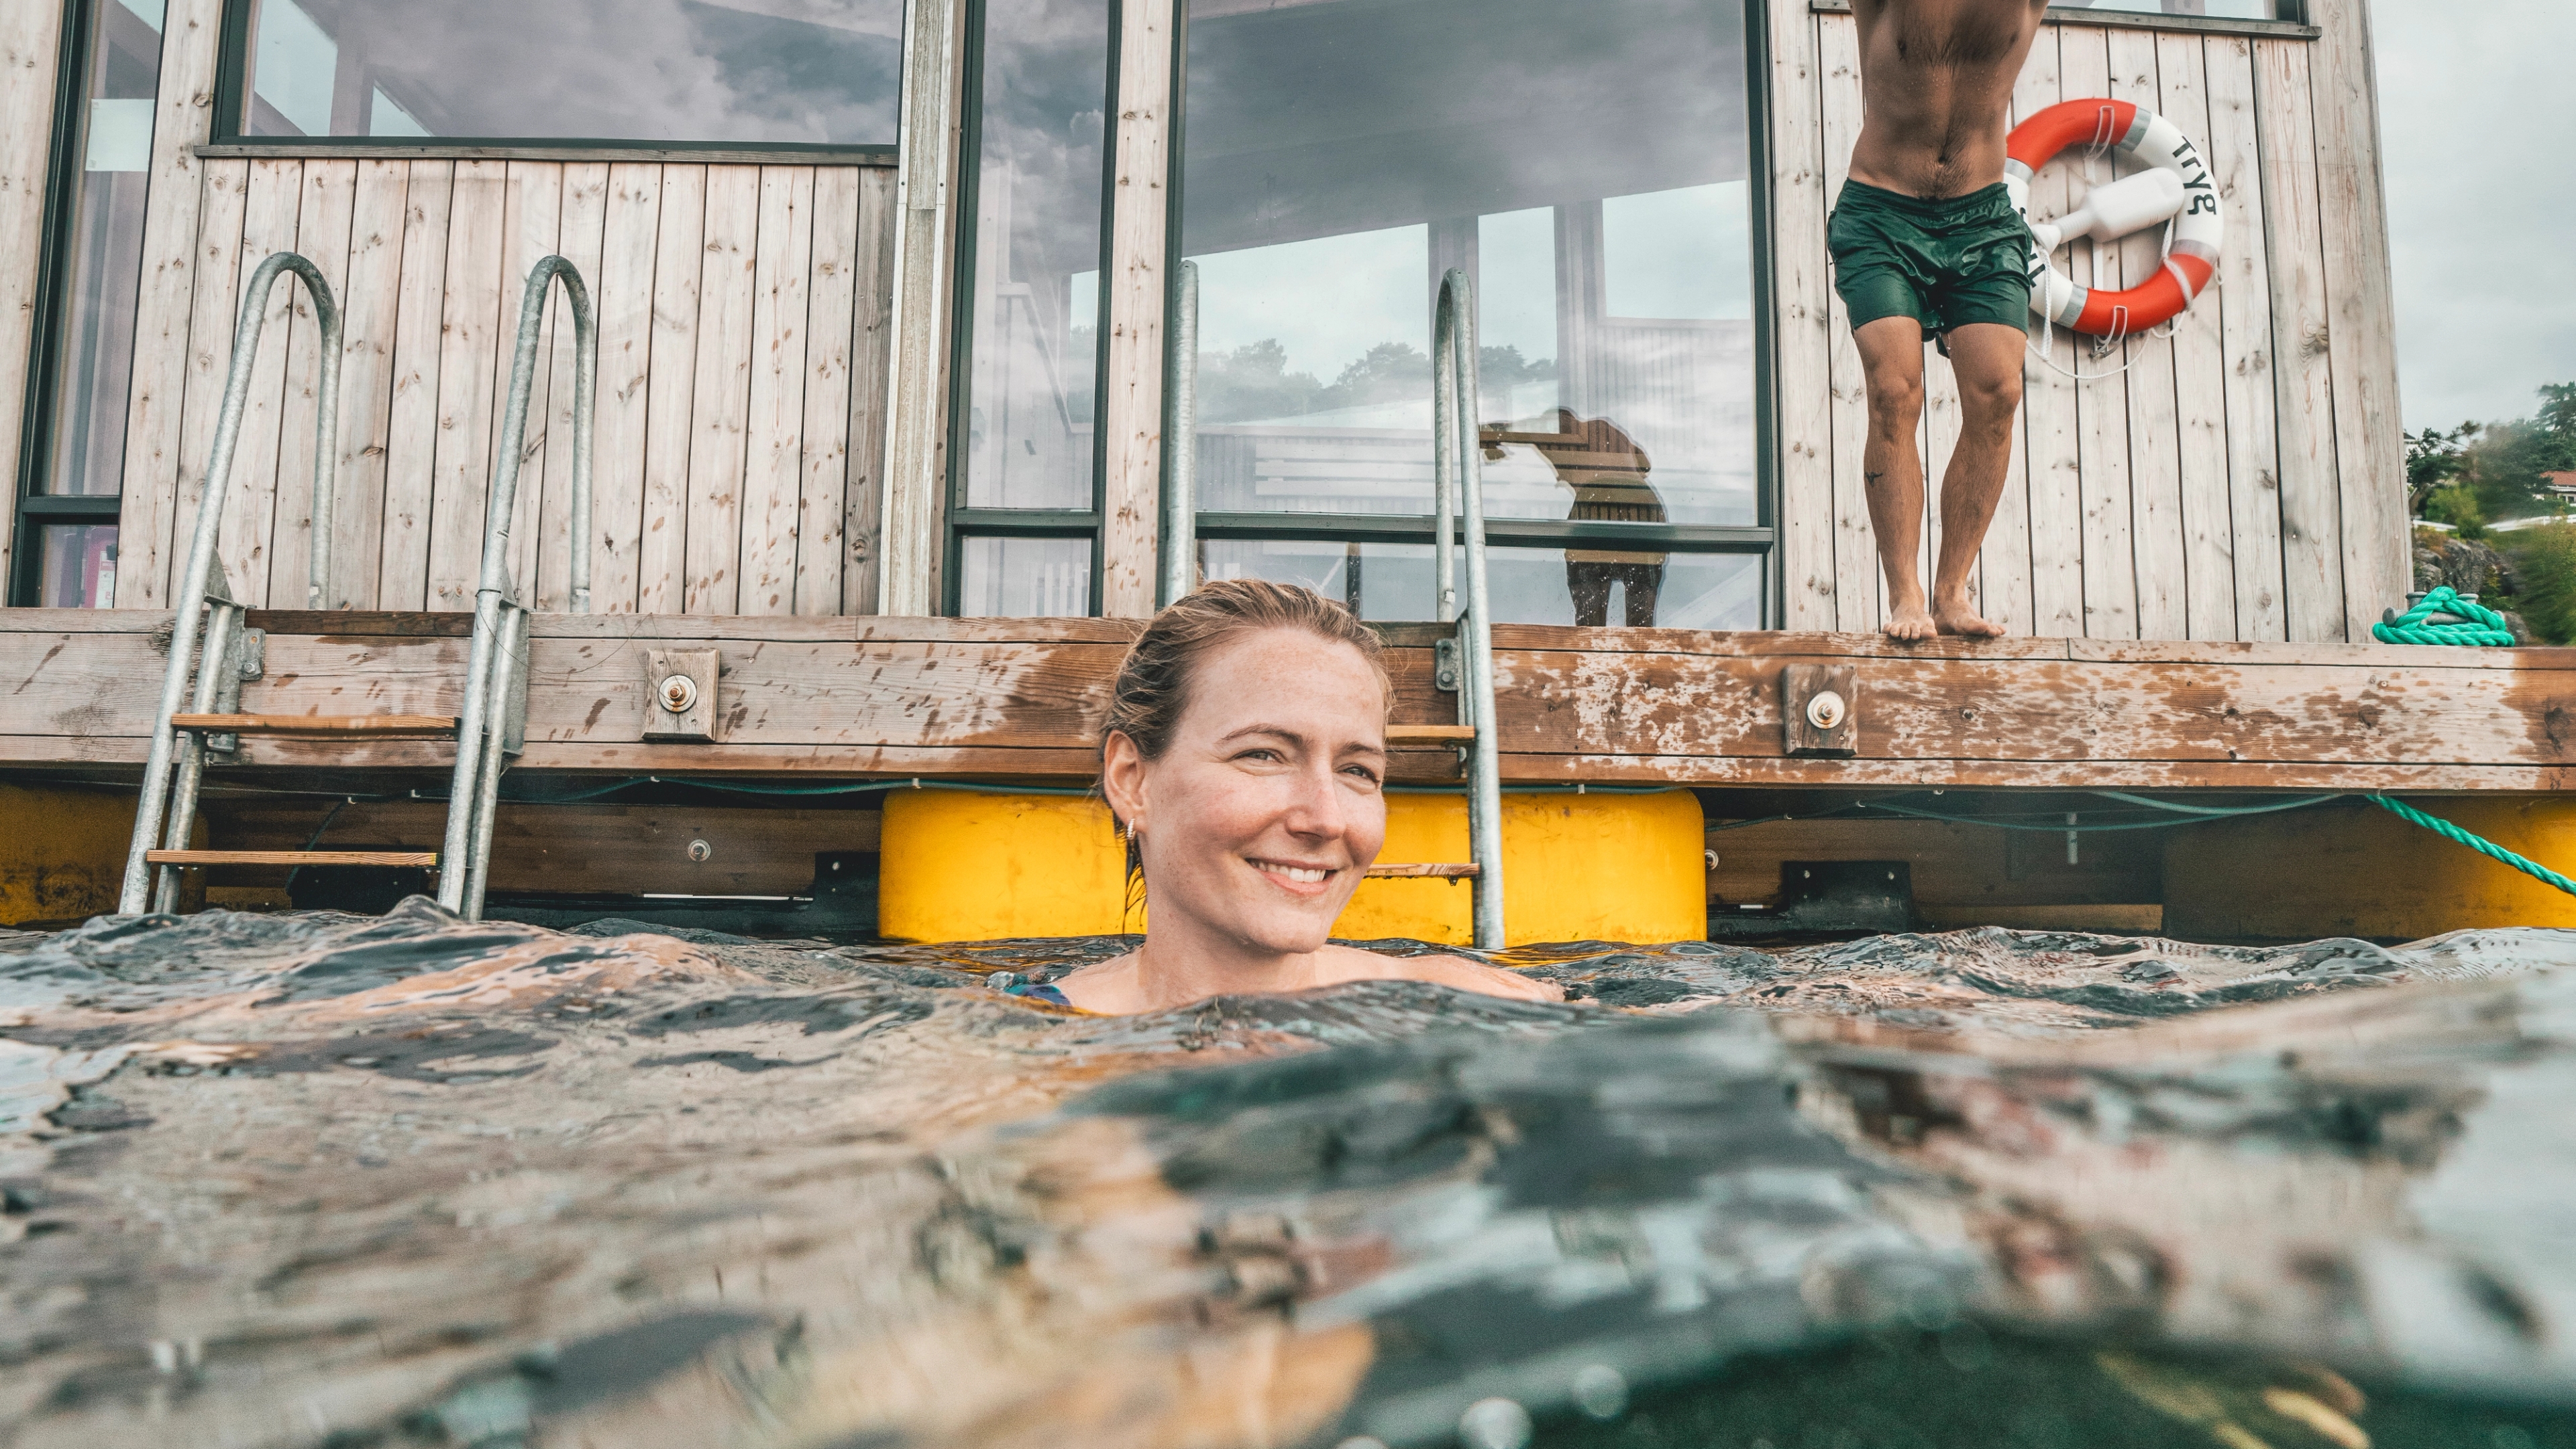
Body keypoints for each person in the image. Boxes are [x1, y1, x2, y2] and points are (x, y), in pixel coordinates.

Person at [1045, 579, 1562, 1014]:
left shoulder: (1463, 1009)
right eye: (1263, 755)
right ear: (1132, 780)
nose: (1327, 819)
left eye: (1357, 769)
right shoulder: (1021, 1046)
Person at [1831, 0, 2050, 640]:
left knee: (1999, 394)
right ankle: (1907, 594)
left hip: (1983, 217)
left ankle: (1952, 591)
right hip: (1881, 213)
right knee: (1894, 392)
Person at [1484, 410, 1666, 628]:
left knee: (1589, 619)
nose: (1563, 479)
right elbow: (1645, 463)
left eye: (1562, 477)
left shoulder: (1560, 433)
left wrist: (1490, 441)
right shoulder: (1610, 431)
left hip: (1597, 504)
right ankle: (1640, 653)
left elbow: (1503, 429)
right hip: (1645, 506)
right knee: (1641, 620)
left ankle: (1589, 651)